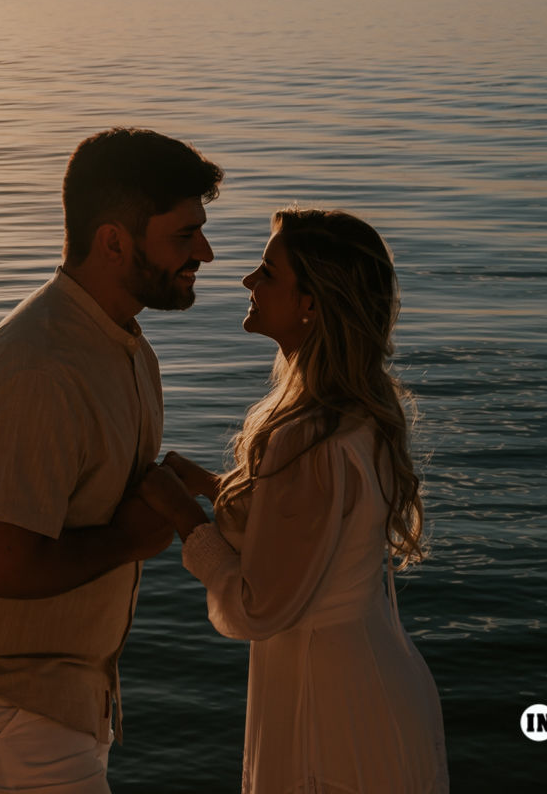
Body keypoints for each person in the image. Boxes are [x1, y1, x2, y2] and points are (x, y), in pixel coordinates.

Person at [0, 128, 224, 794]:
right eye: (183, 235)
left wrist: (164, 487)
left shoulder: (122, 346)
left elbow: (84, 486)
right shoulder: (40, 367)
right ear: (113, 241)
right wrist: (130, 538)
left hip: (55, 693)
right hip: (5, 696)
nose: (206, 253)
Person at [137, 208, 449, 793]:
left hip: (328, 711)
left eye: (268, 273)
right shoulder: (360, 408)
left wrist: (183, 516)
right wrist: (212, 485)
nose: (248, 282)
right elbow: (315, 527)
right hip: (374, 679)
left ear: (311, 303)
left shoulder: (307, 437)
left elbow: (259, 607)